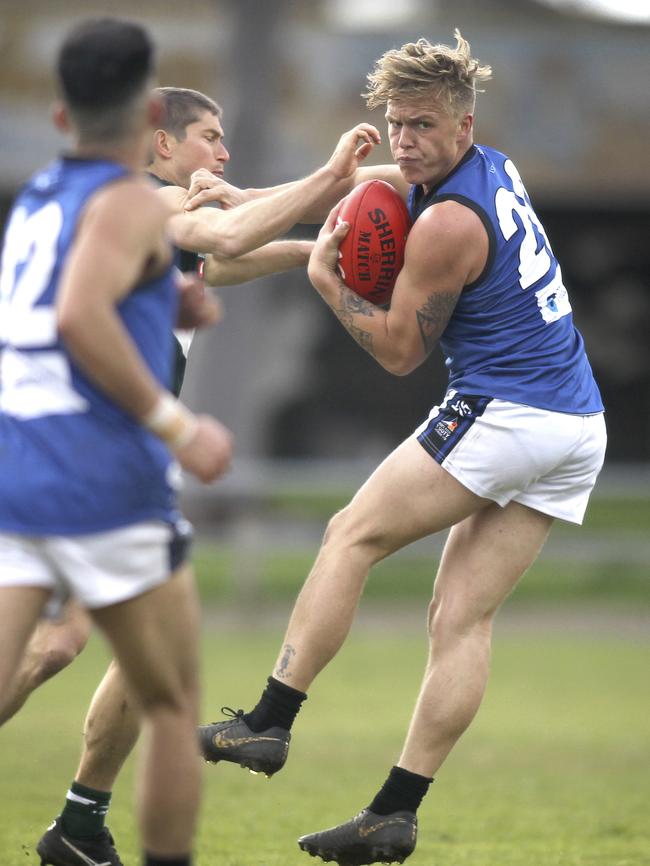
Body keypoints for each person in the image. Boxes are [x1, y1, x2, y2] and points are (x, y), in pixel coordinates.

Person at [197, 31, 607, 865]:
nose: (406, 141)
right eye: (395, 124)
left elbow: (396, 352)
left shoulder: (450, 222)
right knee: (460, 620)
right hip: (575, 427)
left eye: (422, 125)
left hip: (506, 412)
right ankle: (394, 815)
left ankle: (270, 721)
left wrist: (329, 283)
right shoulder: (486, 166)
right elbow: (361, 190)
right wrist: (250, 197)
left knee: (351, 535)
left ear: (462, 124)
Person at [2, 65, 382, 866]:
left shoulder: (140, 215)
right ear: (163, 142)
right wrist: (330, 179)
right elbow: (227, 235)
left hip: (104, 465)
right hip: (83, 463)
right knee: (51, 647)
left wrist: (323, 246)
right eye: (211, 135)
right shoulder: (147, 200)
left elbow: (229, 260)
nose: (224, 147)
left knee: (152, 661)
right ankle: (84, 824)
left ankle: (80, 826)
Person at [0, 17, 233, 866]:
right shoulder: (133, 199)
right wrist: (179, 425)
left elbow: (72, 299)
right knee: (171, 701)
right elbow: (78, 314)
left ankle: (78, 832)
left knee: (39, 655)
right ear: (148, 119)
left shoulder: (37, 200)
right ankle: (97, 836)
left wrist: (162, 306)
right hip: (100, 475)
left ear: (61, 117)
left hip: (16, 464)